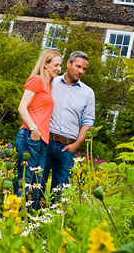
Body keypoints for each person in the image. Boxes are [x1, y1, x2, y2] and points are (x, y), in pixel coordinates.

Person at [43, 51, 95, 204]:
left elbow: (88, 121)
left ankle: (54, 223)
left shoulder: (87, 93)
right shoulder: (51, 82)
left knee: (59, 193)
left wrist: (77, 145)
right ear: (68, 64)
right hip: (46, 142)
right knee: (36, 184)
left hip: (68, 147)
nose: (81, 71)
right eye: (78, 66)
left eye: (84, 69)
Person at [14, 49, 62, 210]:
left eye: (60, 65)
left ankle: (26, 223)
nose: (58, 68)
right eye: (55, 65)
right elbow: (22, 106)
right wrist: (34, 129)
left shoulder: (48, 86)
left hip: (41, 140)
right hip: (30, 136)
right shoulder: (36, 80)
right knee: (25, 181)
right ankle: (13, 221)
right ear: (45, 64)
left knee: (36, 184)